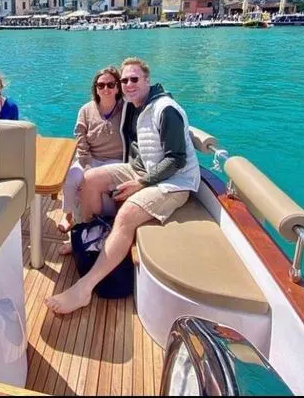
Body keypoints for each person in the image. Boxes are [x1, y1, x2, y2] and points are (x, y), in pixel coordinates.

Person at [45, 57, 200, 315]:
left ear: (147, 80)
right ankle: (86, 237)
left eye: (134, 79)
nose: (128, 84)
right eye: (125, 80)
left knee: (126, 214)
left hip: (175, 182)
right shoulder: (135, 106)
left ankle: (84, 289)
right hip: (144, 169)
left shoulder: (165, 109)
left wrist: (141, 183)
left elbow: (176, 159)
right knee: (89, 180)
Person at [57, 66, 124, 245]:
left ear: (118, 87)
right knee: (71, 178)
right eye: (101, 85)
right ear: (96, 88)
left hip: (115, 161)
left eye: (110, 84)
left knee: (99, 188)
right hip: (90, 158)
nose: (106, 89)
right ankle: (68, 215)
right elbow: (80, 138)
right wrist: (86, 165)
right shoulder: (86, 110)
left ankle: (101, 225)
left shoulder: (126, 109)